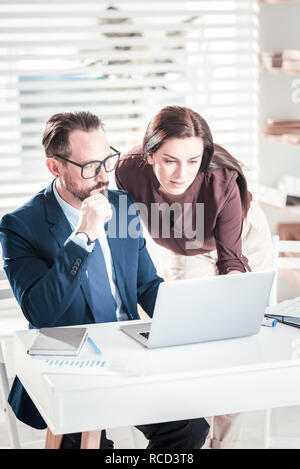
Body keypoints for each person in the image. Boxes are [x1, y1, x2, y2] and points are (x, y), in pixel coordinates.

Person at [0, 111, 209, 449]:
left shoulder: (122, 206)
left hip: (128, 352)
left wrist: (189, 318)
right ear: (55, 167)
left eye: (106, 162)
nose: (102, 177)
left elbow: (145, 285)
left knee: (189, 429)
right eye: (89, 167)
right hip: (70, 362)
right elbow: (42, 314)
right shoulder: (21, 226)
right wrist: (83, 237)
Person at [115, 105, 274, 449]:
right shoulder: (127, 171)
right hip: (186, 243)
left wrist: (234, 308)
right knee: (184, 337)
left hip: (241, 239)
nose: (181, 173)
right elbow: (124, 242)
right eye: (170, 160)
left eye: (193, 160)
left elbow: (232, 260)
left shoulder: (222, 180)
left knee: (232, 345)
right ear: (149, 155)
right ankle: (186, 437)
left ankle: (225, 444)